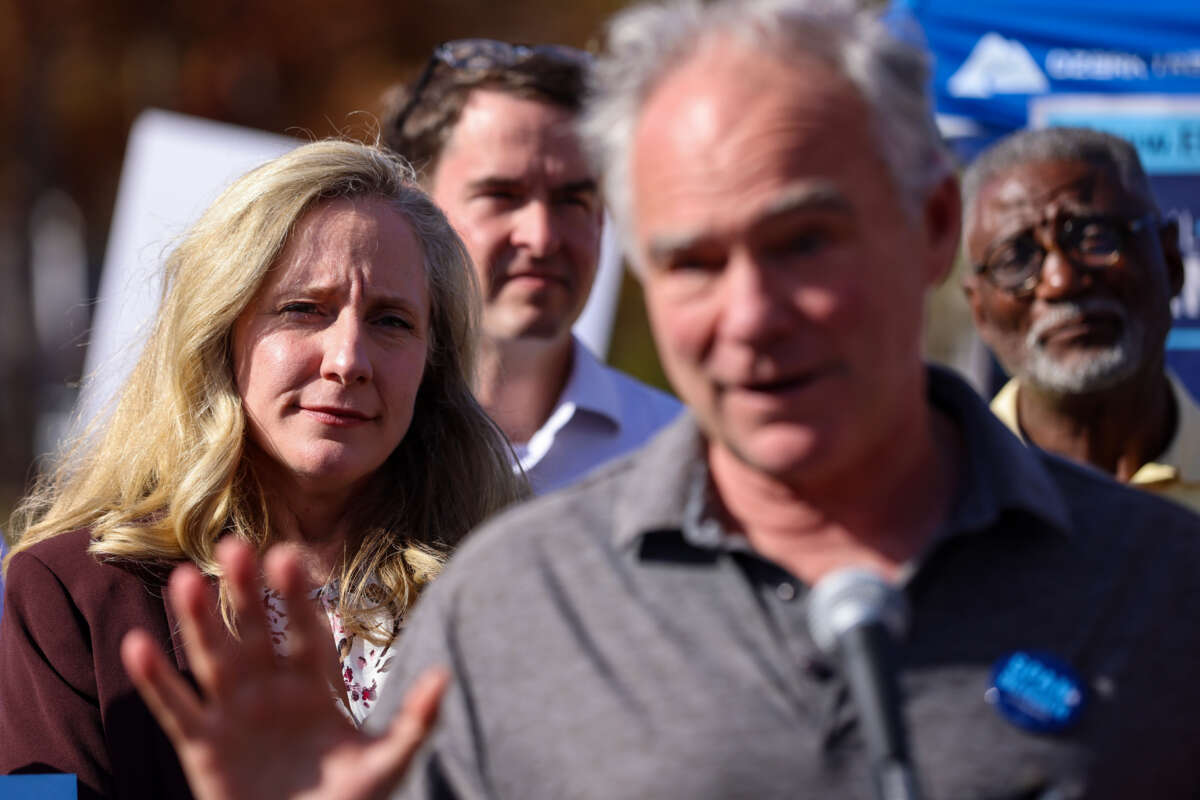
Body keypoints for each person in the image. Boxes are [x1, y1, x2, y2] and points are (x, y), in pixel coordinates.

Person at [128, 1, 1200, 798]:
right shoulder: (510, 605)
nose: (751, 312)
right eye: (691, 261)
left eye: (804, 241)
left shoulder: (1163, 587)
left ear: (930, 226)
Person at [0, 139, 526, 799]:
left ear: (432, 366)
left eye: (392, 320)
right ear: (221, 333)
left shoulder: (514, 588)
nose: (347, 359)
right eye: (304, 309)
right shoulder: (72, 596)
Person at [381, 39, 680, 494]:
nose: (542, 237)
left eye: (572, 200)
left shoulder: (680, 454)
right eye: (502, 195)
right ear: (414, 207)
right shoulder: (352, 432)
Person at [962, 127, 1200, 511]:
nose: (1060, 282)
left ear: (1170, 263)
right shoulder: (934, 506)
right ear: (980, 310)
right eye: (1016, 258)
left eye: (1094, 238)